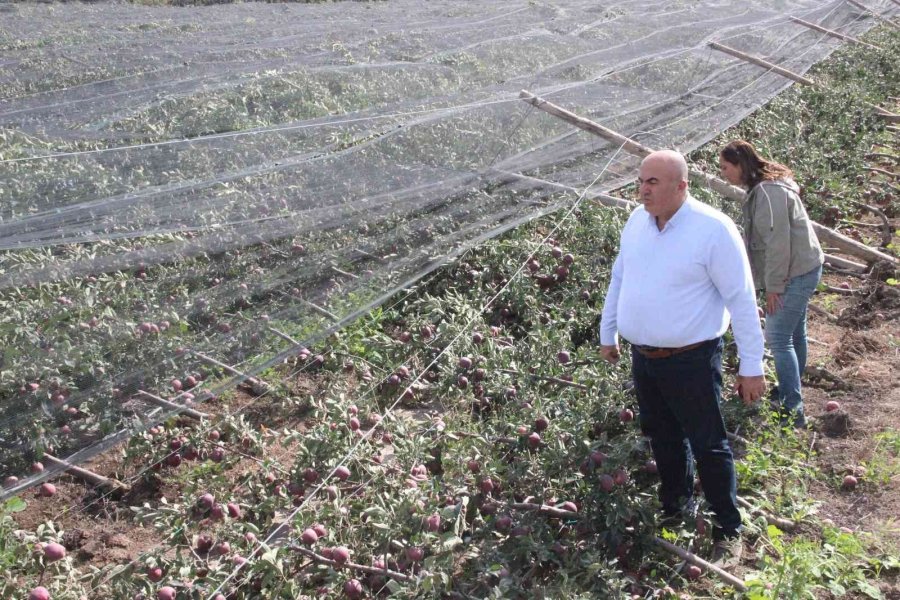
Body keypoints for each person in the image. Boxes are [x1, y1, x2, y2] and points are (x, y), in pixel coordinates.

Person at [598, 150, 766, 567]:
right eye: (641, 181)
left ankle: (729, 529)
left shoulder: (712, 230)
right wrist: (609, 330)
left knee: (709, 444)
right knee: (663, 437)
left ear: (681, 186)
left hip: (691, 358)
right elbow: (621, 275)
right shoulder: (637, 222)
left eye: (653, 182)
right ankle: (676, 509)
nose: (643, 190)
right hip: (645, 357)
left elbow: (742, 300)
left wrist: (752, 365)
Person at [719, 140, 824, 429]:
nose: (723, 173)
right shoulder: (764, 189)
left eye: (726, 167)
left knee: (778, 338)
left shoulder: (768, 192)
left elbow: (778, 243)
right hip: (802, 267)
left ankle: (793, 410)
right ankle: (791, 391)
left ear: (740, 165)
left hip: (796, 272)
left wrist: (774, 286)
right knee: (795, 334)